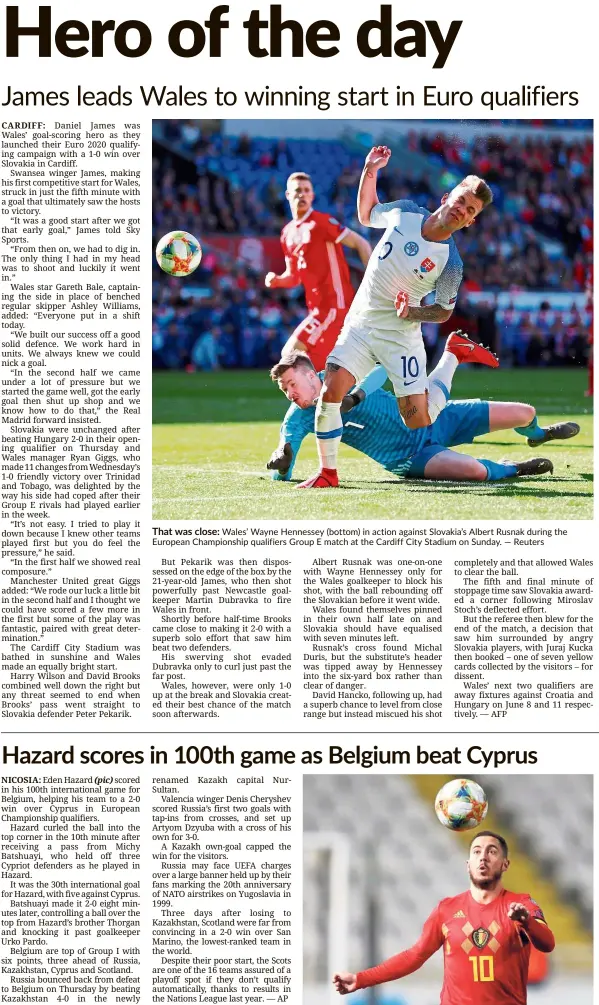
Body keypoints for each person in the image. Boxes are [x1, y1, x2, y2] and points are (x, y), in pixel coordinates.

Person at [300, 146, 497, 488]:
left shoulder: (451, 264)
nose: (461, 210)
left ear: (471, 220)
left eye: (470, 210)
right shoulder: (405, 212)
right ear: (448, 195)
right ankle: (328, 474)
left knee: (417, 421)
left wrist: (413, 311)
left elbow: (444, 310)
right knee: (330, 393)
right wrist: (370, 169)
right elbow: (367, 214)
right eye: (461, 201)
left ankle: (451, 356)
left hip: (400, 337)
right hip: (361, 326)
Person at [267, 350, 579, 484]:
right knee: (476, 472)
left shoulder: (340, 374)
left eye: (291, 384)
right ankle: (512, 469)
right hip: (412, 456)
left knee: (526, 413)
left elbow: (380, 369)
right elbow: (285, 455)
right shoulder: (299, 416)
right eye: (284, 390)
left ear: (311, 375)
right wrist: (281, 464)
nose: (289, 394)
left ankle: (539, 435)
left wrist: (355, 396)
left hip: (431, 416)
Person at [332, 831, 555, 1005]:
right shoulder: (447, 909)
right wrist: (361, 979)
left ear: (505, 864)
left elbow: (547, 944)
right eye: (476, 852)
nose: (483, 858)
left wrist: (526, 921)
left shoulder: (522, 904)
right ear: (468, 865)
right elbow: (414, 956)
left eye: (492, 851)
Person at [264, 171, 372, 372]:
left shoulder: (321, 223)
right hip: (318, 309)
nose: (302, 195)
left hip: (334, 307)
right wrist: (277, 280)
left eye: (306, 191)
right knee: (321, 369)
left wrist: (372, 283)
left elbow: (361, 243)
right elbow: (294, 276)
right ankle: (335, 400)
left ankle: (320, 399)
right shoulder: (287, 233)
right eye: (297, 191)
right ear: (288, 195)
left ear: (312, 195)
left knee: (291, 356)